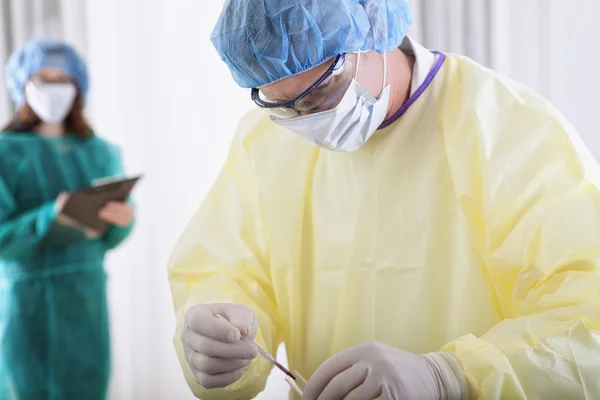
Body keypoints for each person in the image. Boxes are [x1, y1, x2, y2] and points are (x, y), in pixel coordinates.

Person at [168, 0, 600, 399]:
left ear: (371, 27)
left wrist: (450, 376)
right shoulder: (264, 142)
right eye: (284, 104)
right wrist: (220, 337)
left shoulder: (507, 128)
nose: (309, 119)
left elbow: (588, 327)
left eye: (320, 92)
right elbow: (225, 269)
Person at [0, 39, 134, 399]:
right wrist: (50, 216)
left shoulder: (101, 153)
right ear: (22, 84)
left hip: (86, 301)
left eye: (62, 80)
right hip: (28, 305)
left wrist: (122, 220)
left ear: (78, 88)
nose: (53, 88)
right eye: (43, 78)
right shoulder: (5, 153)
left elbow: (109, 239)